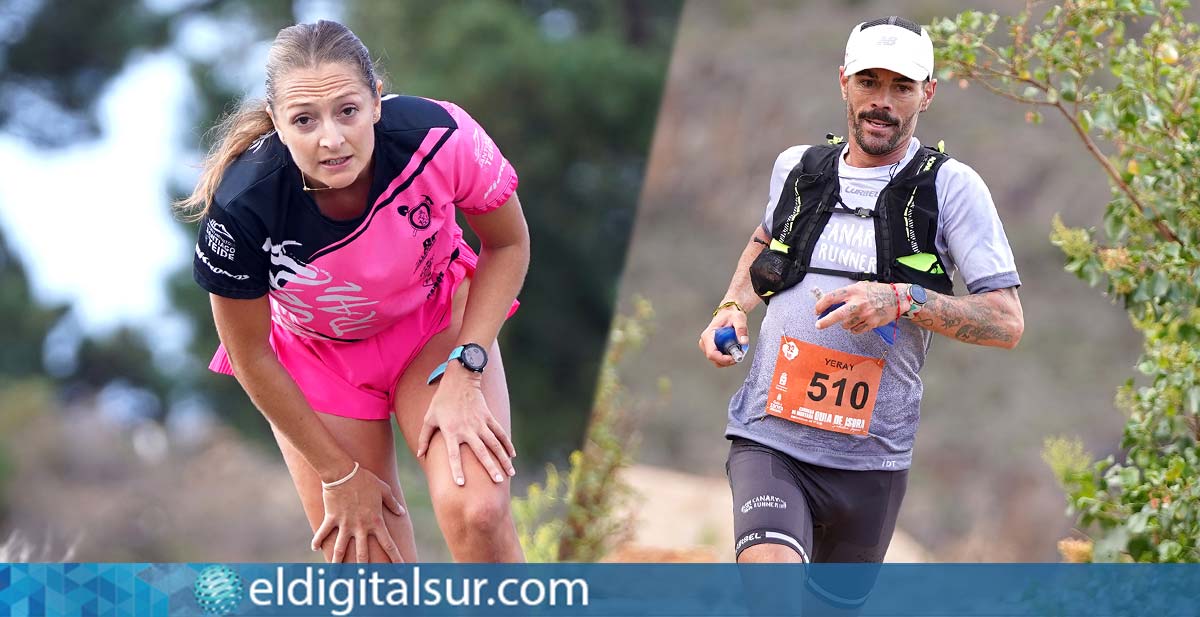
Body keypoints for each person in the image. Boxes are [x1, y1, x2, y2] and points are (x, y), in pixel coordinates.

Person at [179, 20, 529, 563]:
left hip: (434, 330)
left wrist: (468, 367)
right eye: (304, 120)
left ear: (377, 102)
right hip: (320, 364)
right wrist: (337, 474)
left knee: (477, 512)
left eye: (348, 110)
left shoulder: (440, 138)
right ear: (276, 123)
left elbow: (507, 246)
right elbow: (248, 351)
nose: (332, 139)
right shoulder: (242, 206)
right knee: (370, 570)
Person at [699, 15, 1024, 573]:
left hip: (872, 460)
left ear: (928, 93)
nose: (883, 102)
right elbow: (766, 239)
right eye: (869, 82)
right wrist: (732, 307)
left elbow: (1006, 321)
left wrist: (901, 299)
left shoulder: (953, 188)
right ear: (843, 81)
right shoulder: (796, 169)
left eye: (901, 86)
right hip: (769, 439)